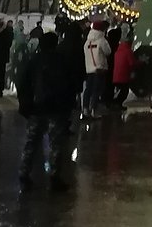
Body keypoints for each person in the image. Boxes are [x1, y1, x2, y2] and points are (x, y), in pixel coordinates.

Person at [16, 32, 80, 192]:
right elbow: (72, 85)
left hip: (36, 109)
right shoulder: (62, 61)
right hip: (57, 110)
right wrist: (68, 105)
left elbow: (22, 83)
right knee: (55, 145)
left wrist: (25, 104)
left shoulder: (33, 61)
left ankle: (24, 171)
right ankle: (54, 176)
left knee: (31, 142)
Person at [82, 20, 111, 118]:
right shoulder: (102, 40)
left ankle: (85, 109)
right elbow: (108, 52)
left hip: (89, 69)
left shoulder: (87, 41)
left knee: (88, 89)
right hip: (99, 69)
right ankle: (94, 110)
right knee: (97, 90)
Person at [111, 39, 134, 107]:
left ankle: (116, 103)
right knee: (125, 91)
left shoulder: (117, 52)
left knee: (121, 90)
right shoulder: (128, 51)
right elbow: (132, 63)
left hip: (115, 76)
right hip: (123, 75)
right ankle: (117, 103)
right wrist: (141, 62)